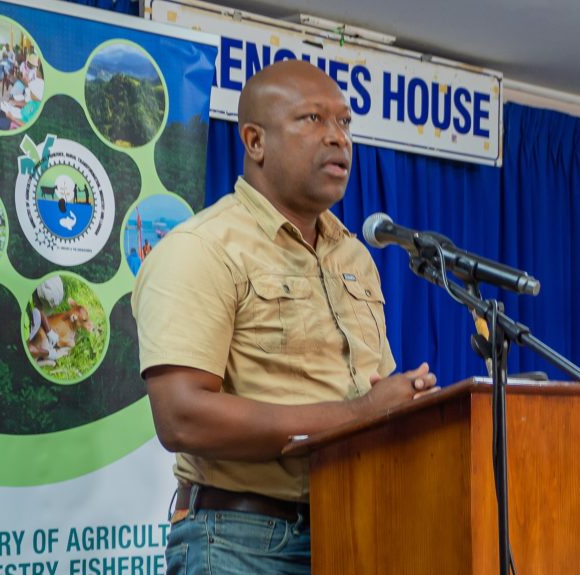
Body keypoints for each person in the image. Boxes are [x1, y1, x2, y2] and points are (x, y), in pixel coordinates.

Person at [132, 59, 438, 575]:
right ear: (255, 141)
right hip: (242, 540)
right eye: (313, 119)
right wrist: (362, 412)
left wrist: (405, 404)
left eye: (344, 122)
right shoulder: (203, 248)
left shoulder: (354, 257)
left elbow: (373, 388)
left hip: (355, 525)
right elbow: (182, 416)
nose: (338, 137)